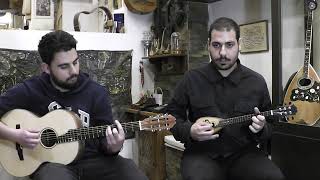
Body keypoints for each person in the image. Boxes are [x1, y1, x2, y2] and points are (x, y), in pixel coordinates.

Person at [0, 30, 148, 180]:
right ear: (46, 68)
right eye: (64, 67)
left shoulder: (96, 92)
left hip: (93, 161)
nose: (74, 71)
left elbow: (105, 142)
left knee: (131, 172)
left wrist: (114, 147)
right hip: (52, 164)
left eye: (75, 62)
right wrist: (16, 135)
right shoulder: (31, 89)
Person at [166, 17, 285, 180]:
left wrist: (262, 128)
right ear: (208, 44)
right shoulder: (191, 79)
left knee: (273, 177)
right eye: (216, 45)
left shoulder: (256, 82)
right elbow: (171, 118)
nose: (222, 53)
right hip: (202, 153)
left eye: (229, 45)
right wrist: (190, 131)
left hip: (244, 154)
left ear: (239, 44)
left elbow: (270, 124)